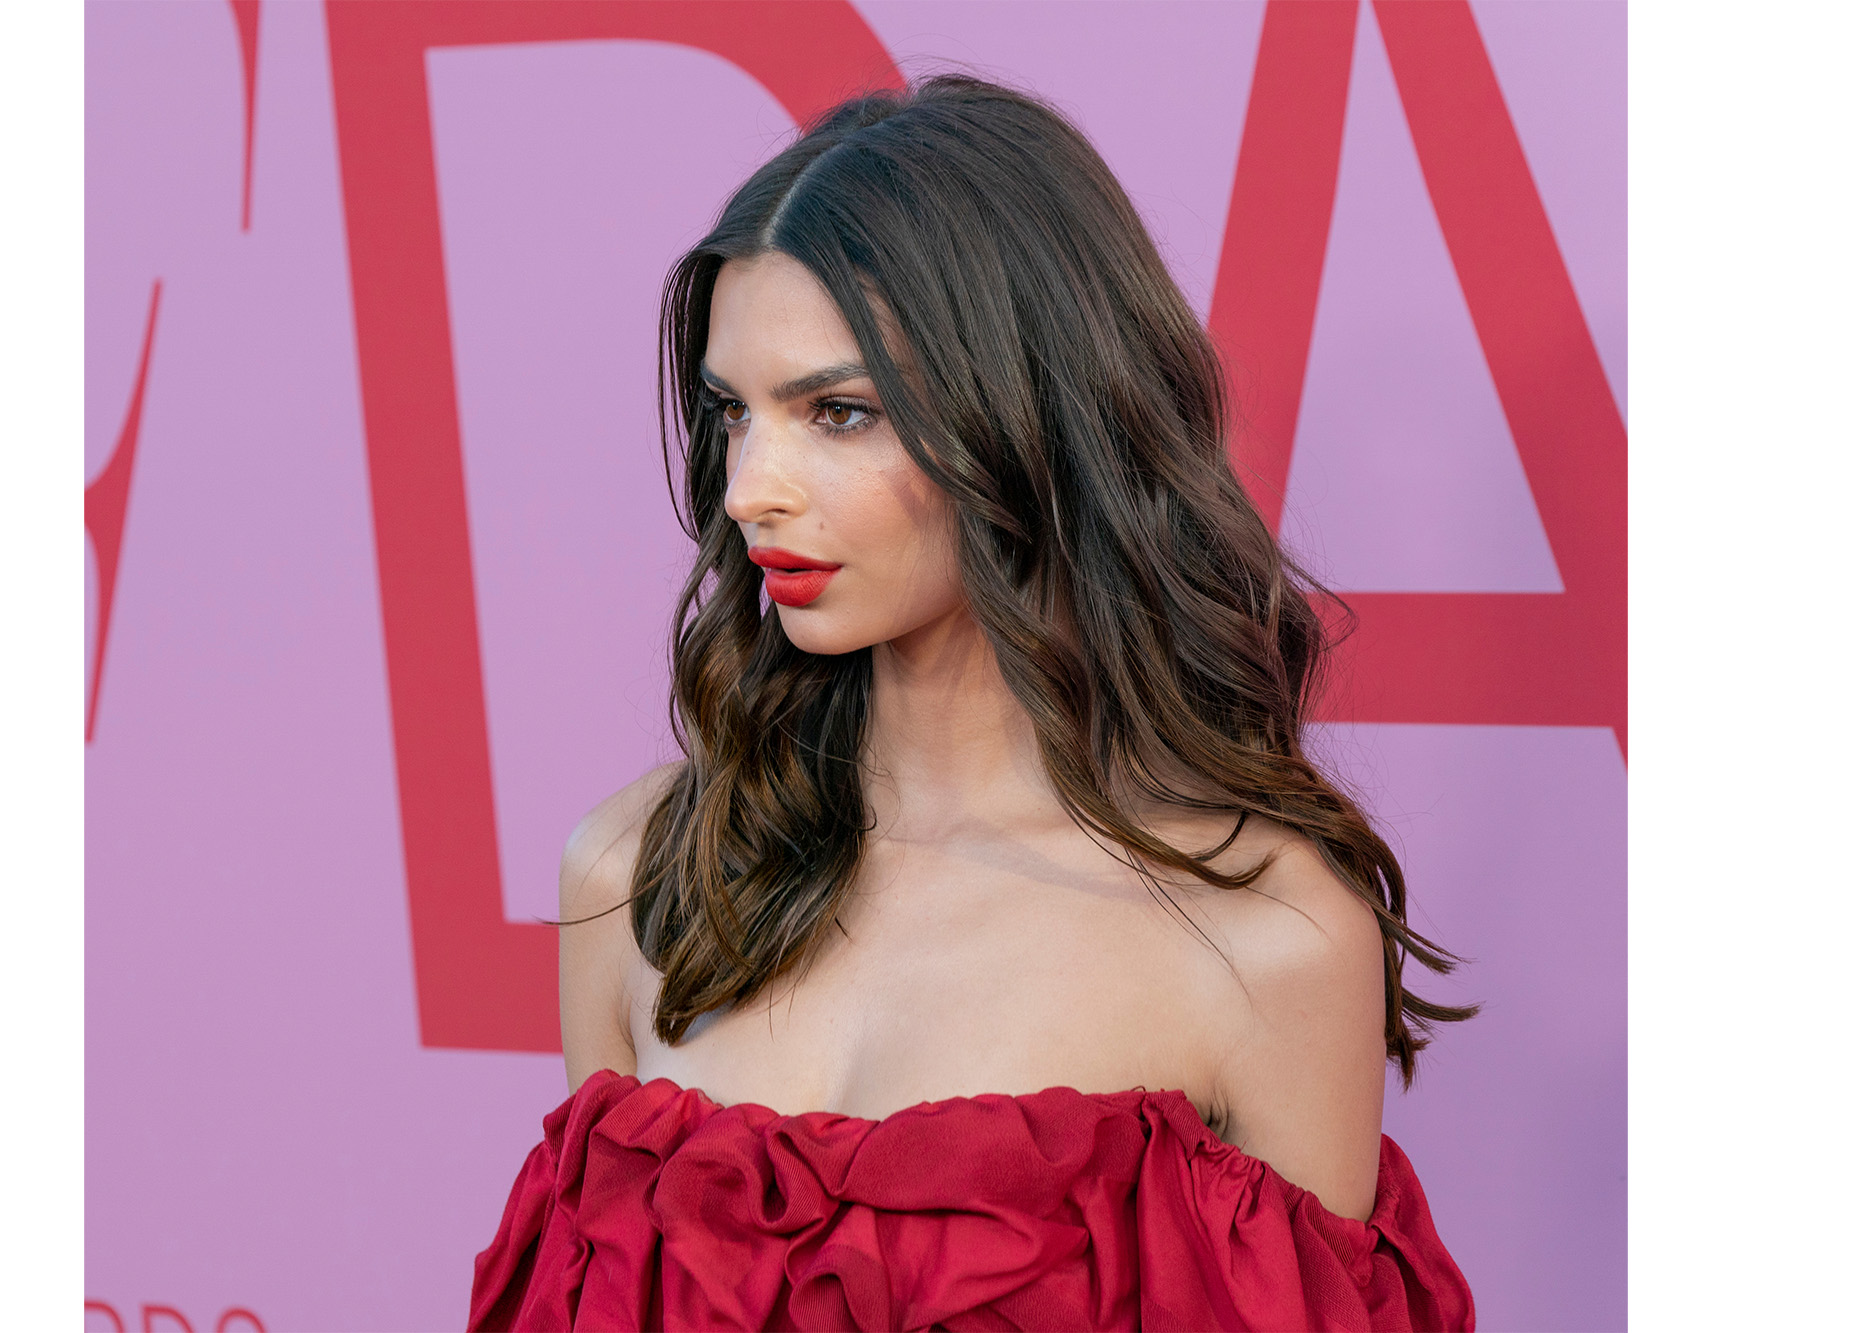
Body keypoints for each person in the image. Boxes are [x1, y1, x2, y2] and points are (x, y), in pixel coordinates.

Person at [470, 75, 1476, 1332]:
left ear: (1031, 420)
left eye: (838, 414)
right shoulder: (636, 876)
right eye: (734, 413)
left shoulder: (1262, 938)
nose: (749, 490)